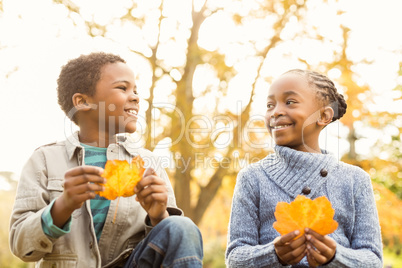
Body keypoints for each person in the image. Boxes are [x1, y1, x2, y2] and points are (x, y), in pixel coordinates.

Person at [9, 52, 203, 268]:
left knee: (181, 226)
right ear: (82, 102)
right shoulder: (44, 160)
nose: (136, 97)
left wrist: (159, 216)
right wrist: (63, 205)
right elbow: (21, 245)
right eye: (123, 88)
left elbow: (172, 244)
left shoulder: (148, 163)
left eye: (136, 91)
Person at [225, 69, 382, 267]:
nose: (276, 112)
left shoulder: (355, 180)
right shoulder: (252, 178)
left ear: (324, 116)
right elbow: (235, 257)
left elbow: (373, 260)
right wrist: (272, 254)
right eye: (269, 105)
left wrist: (337, 257)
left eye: (289, 102)